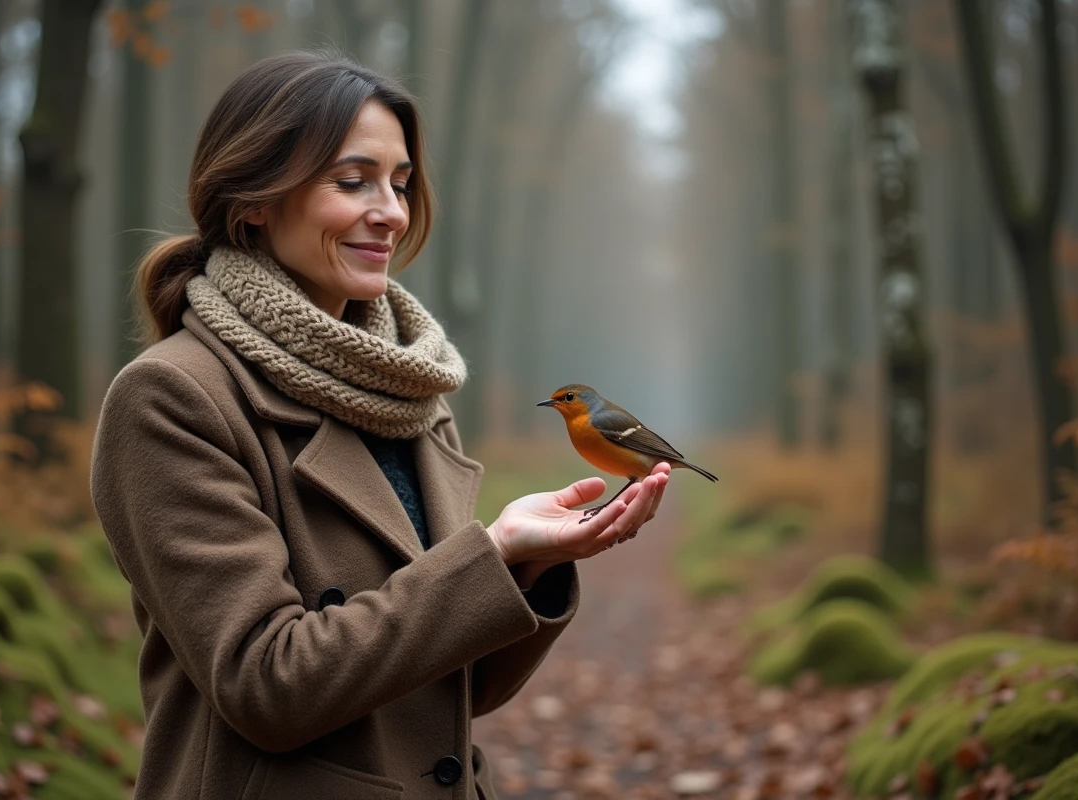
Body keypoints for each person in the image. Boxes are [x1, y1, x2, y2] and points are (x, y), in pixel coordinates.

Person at [89, 50, 669, 800]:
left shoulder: (409, 391)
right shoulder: (172, 399)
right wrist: (486, 553)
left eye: (399, 184)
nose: (392, 211)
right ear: (255, 199)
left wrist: (526, 566)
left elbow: (450, 693)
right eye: (352, 180)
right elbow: (268, 685)